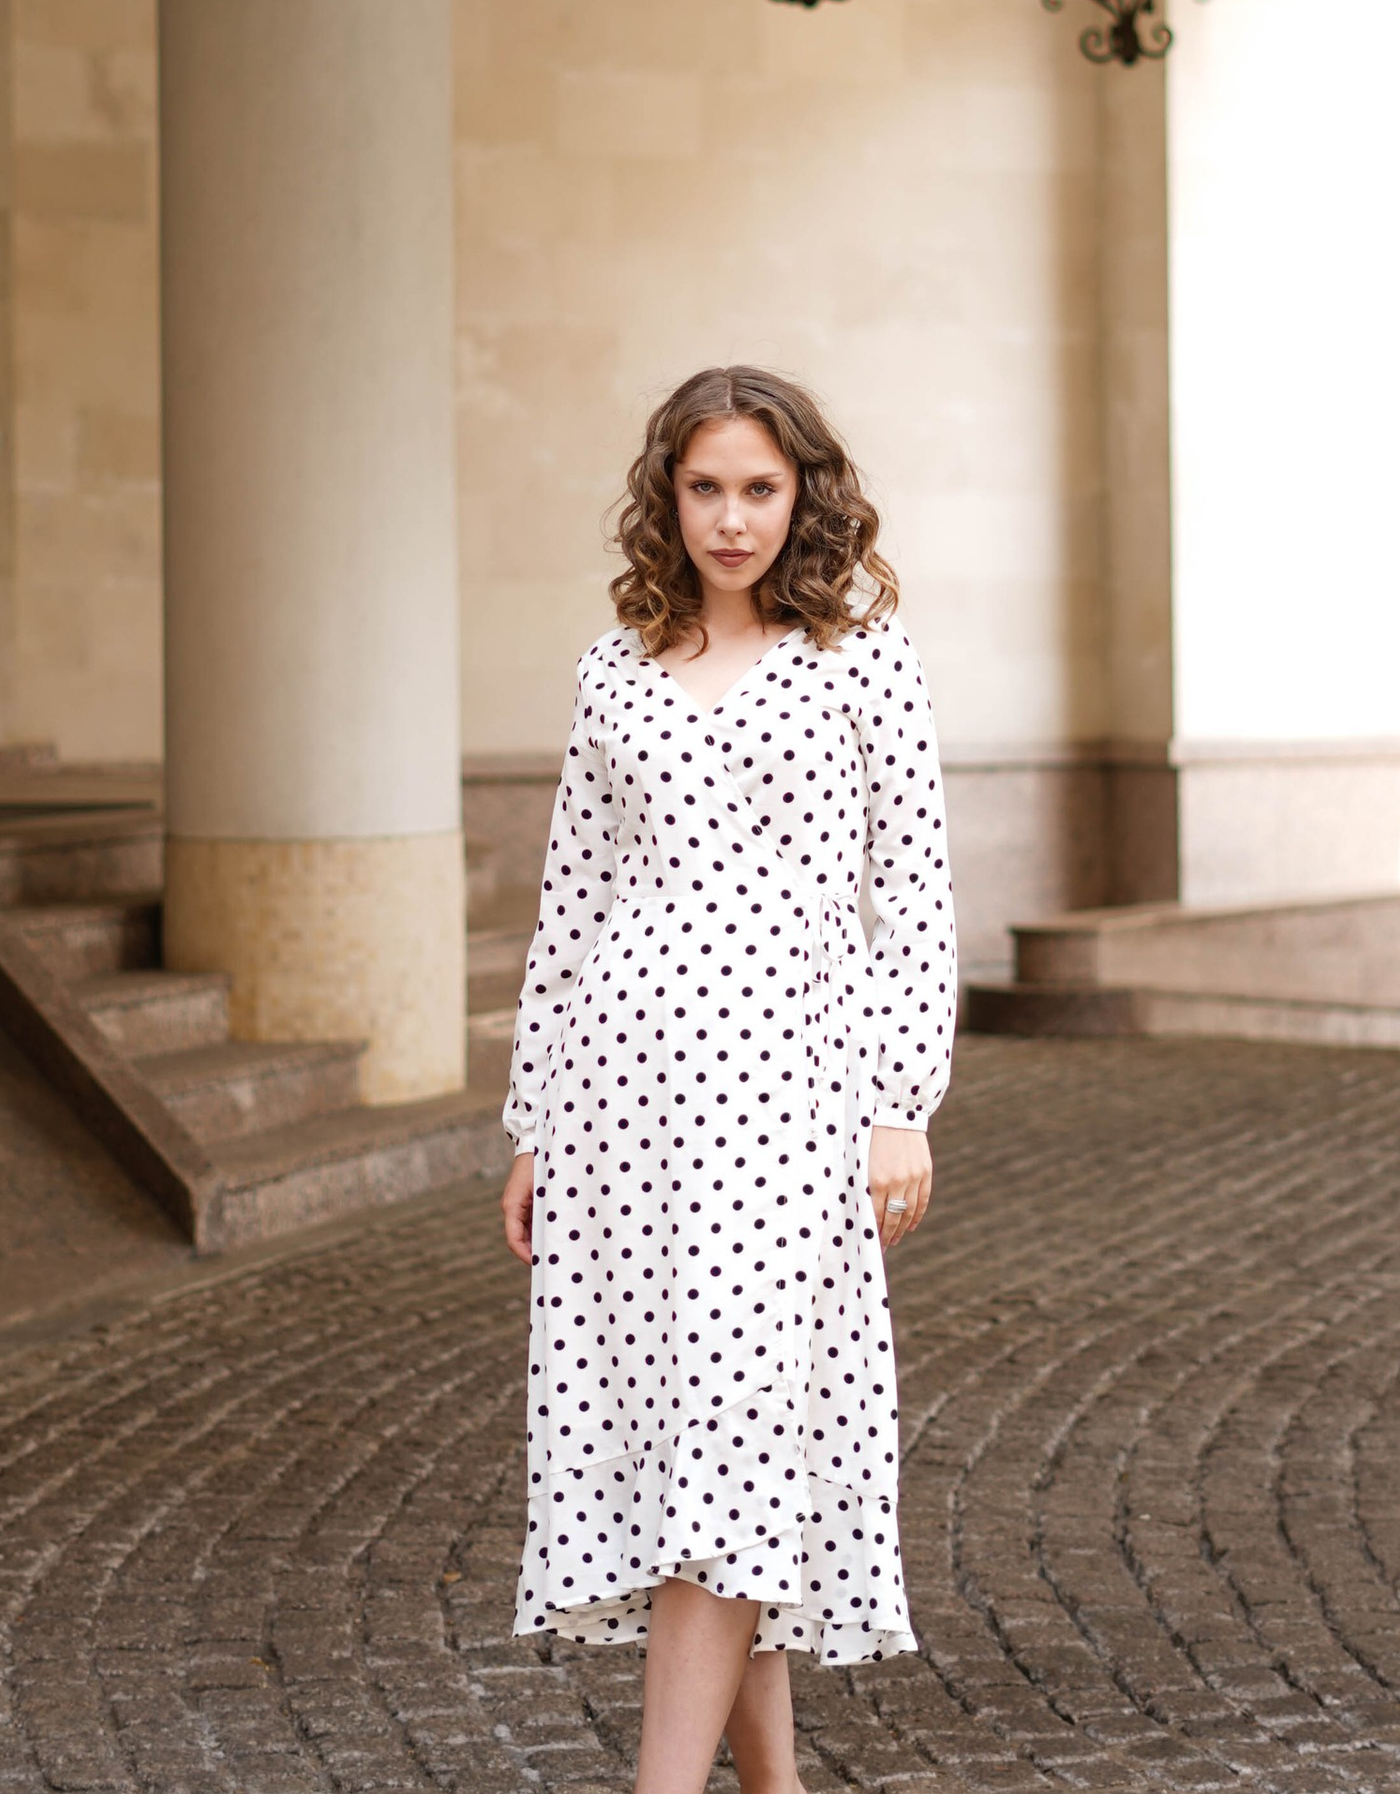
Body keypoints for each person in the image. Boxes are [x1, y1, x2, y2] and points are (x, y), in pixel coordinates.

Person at [499, 364, 958, 1794]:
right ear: (669, 496)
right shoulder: (612, 668)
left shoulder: (862, 657)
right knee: (694, 1453)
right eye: (707, 487)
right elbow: (571, 906)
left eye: (762, 487)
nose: (734, 518)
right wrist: (530, 1126)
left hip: (789, 1102)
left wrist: (898, 1102)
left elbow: (916, 897)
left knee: (742, 1437)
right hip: (620, 1108)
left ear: (805, 494)